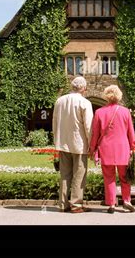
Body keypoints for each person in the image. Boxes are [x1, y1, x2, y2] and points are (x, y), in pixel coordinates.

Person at [89, 85, 135, 214]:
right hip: (123, 148)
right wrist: (133, 146)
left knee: (109, 178)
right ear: (119, 96)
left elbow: (95, 133)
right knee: (125, 177)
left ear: (106, 96)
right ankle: (127, 201)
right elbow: (130, 132)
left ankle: (111, 204)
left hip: (106, 149)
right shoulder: (125, 111)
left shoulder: (99, 112)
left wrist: (92, 149)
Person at [53, 76, 93, 213]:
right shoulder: (85, 102)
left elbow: (55, 122)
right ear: (83, 88)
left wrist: (56, 140)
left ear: (72, 87)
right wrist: (92, 143)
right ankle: (76, 205)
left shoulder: (59, 101)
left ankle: (63, 204)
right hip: (79, 144)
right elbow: (88, 126)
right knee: (79, 175)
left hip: (63, 142)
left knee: (65, 175)